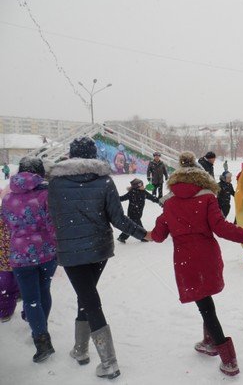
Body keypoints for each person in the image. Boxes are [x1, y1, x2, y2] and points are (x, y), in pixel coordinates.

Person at [149, 151, 243, 377]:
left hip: (186, 260)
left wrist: (143, 234)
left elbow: (158, 235)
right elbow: (221, 228)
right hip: (207, 255)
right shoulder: (207, 197)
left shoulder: (169, 203)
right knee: (205, 301)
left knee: (205, 306)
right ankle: (210, 341)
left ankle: (228, 359)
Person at [48, 136, 148, 379]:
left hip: (71, 252)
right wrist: (142, 233)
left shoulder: (55, 184)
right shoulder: (104, 181)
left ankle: (109, 363)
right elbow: (118, 219)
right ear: (94, 155)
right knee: (87, 295)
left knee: (89, 298)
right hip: (99, 250)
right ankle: (80, 349)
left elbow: (52, 217)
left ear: (71, 156)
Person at [1, 157, 58, 362]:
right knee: (44, 292)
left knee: (31, 299)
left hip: (20, 255)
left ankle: (41, 340)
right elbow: (53, 224)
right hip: (46, 252)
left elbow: (7, 224)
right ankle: (43, 326)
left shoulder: (7, 198)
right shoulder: (47, 194)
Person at [117, 178, 159, 244]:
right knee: (136, 226)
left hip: (139, 213)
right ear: (136, 186)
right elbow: (123, 198)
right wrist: (113, 198)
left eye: (142, 184)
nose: (142, 186)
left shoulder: (144, 192)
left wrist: (160, 201)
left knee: (132, 226)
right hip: (132, 213)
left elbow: (152, 198)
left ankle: (122, 237)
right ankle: (143, 237)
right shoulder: (132, 192)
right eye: (140, 184)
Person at [0, 208, 20, 323]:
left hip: (19, 257)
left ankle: (29, 313)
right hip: (5, 260)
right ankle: (5, 311)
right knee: (6, 287)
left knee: (8, 287)